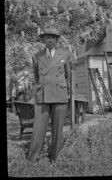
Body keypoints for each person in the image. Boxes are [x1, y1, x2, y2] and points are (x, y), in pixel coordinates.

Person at [27, 26, 70, 163]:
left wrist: (69, 92)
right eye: (47, 37)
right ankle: (32, 159)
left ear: (57, 40)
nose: (50, 40)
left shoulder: (64, 54)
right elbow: (36, 77)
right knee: (38, 129)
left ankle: (54, 158)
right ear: (43, 40)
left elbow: (68, 76)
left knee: (58, 130)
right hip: (43, 95)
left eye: (53, 37)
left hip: (60, 93)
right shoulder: (36, 56)